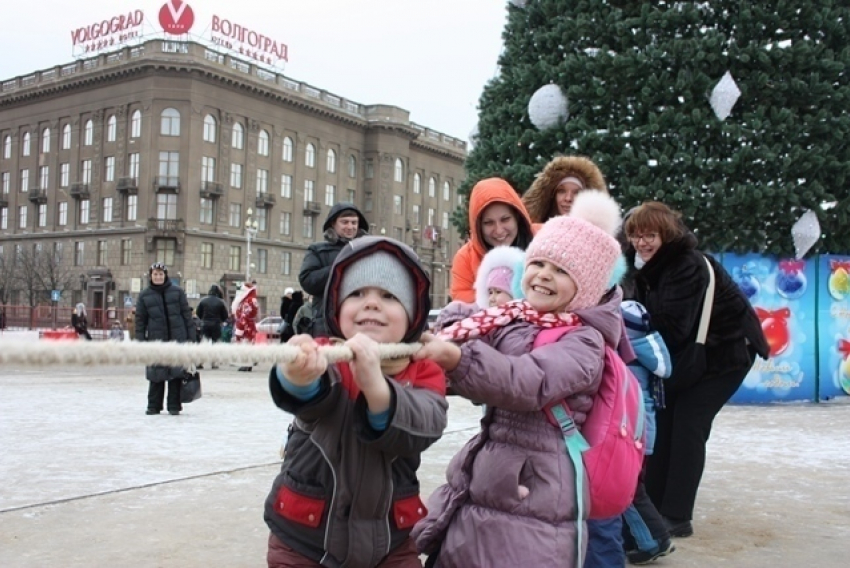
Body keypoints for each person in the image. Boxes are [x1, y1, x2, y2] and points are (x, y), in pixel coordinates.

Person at [413, 191, 626, 567]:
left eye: (562, 271)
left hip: (538, 489)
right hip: (492, 472)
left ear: (587, 288)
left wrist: (458, 357)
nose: (544, 275)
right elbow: (471, 354)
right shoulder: (514, 317)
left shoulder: (584, 341)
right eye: (539, 263)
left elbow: (526, 382)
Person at [264, 235, 448, 568]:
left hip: (391, 540)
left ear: (413, 315)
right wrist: (298, 374)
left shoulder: (423, 368)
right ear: (336, 307)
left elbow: (426, 424)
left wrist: (377, 389)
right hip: (304, 539)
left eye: (389, 296)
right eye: (357, 293)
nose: (371, 303)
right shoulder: (327, 352)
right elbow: (310, 401)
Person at [624, 201, 769, 538]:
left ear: (667, 234)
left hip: (727, 354)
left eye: (650, 235)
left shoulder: (684, 264)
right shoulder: (650, 268)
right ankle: (656, 507)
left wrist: (626, 324)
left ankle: (677, 515)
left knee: (689, 422)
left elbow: (673, 327)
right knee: (664, 420)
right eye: (636, 235)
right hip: (692, 358)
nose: (642, 242)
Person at [619, 301, 675, 565]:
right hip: (642, 438)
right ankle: (638, 538)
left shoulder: (628, 359)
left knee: (628, 493)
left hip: (632, 439)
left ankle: (653, 540)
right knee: (632, 491)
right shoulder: (644, 354)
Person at [450, 177, 534, 304]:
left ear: (517, 217)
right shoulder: (465, 259)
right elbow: (463, 302)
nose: (499, 230)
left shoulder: (542, 239)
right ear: (478, 226)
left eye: (505, 219)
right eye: (489, 223)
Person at [299, 202, 368, 337]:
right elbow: (307, 281)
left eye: (354, 223)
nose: (350, 227)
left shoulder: (367, 250)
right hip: (326, 325)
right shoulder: (318, 250)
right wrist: (339, 268)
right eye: (345, 222)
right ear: (333, 224)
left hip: (360, 322)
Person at [136, 262, 196, 416]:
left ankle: (174, 405)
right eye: (155, 274)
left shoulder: (177, 292)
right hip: (156, 340)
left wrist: (191, 338)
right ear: (151, 276)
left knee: (176, 373)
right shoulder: (144, 295)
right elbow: (140, 321)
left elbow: (186, 316)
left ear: (165, 275)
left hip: (178, 338)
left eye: (161, 274)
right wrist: (141, 341)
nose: (158, 277)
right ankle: (154, 406)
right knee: (156, 373)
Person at [522, 155, 609, 225]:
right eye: (561, 191)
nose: (568, 198)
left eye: (577, 193)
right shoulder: (534, 233)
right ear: (552, 195)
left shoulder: (599, 238)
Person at [196, 284, 229, 368]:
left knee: (204, 343)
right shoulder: (220, 302)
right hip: (216, 325)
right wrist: (220, 320)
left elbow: (198, 313)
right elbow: (225, 315)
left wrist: (203, 319)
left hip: (205, 324)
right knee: (215, 344)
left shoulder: (203, 301)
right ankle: (214, 363)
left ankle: (200, 362)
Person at [232, 280, 259, 372]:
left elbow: (244, 316)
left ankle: (246, 364)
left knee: (245, 345)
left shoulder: (248, 301)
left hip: (246, 327)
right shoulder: (252, 299)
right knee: (249, 345)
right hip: (250, 326)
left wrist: (239, 329)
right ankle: (248, 364)